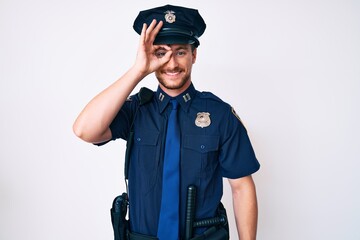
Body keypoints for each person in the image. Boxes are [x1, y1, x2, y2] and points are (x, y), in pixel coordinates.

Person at [73, 4, 260, 240]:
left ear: (194, 54)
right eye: (161, 53)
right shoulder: (136, 110)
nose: (171, 64)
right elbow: (84, 130)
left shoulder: (220, 115)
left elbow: (241, 187)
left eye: (180, 52)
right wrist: (138, 71)